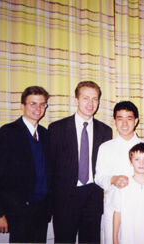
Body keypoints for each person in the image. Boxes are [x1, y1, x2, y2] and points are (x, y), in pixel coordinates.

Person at [0, 86, 51, 243]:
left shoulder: (46, 134)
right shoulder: (8, 133)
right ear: (23, 106)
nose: (38, 108)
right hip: (18, 211)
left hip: (41, 209)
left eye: (42, 104)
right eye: (33, 103)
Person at [48, 81, 112, 243]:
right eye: (85, 98)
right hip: (64, 200)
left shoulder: (105, 131)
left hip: (93, 198)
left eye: (95, 99)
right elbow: (50, 169)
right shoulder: (57, 128)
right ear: (76, 100)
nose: (90, 103)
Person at [95, 101, 144, 244]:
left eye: (129, 118)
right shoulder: (106, 147)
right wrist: (113, 179)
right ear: (114, 121)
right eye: (120, 119)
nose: (124, 123)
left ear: (136, 121)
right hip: (115, 209)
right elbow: (99, 177)